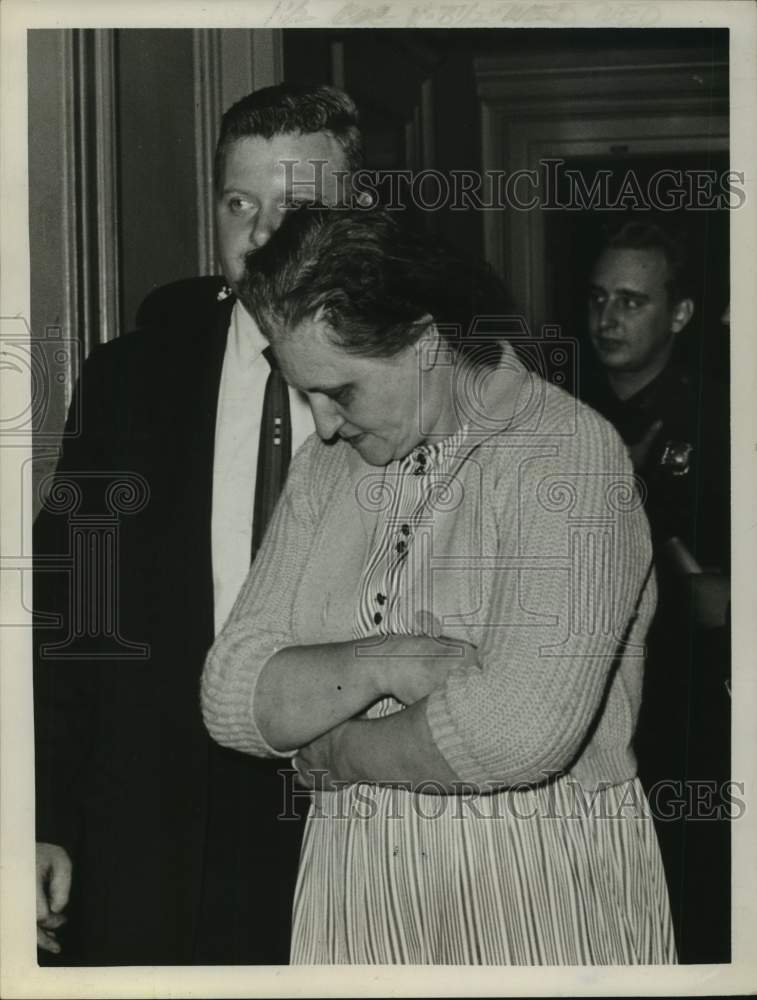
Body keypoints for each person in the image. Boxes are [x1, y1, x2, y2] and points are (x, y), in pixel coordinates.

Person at [201, 205, 676, 965]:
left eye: (342, 391)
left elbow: (518, 732)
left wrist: (342, 749)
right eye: (306, 394)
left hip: (530, 885)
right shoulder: (330, 467)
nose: (321, 426)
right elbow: (231, 693)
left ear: (425, 344)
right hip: (352, 890)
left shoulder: (565, 455)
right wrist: (386, 661)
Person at [33, 83, 363, 965]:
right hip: (154, 822)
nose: (260, 234)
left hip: (348, 811)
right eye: (238, 203)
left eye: (294, 206)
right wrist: (40, 817)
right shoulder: (129, 380)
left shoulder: (415, 383)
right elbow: (74, 615)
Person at [581, 221, 730, 962]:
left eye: (632, 302)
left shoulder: (725, 418)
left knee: (687, 915)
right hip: (581, 716)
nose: (607, 319)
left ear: (678, 314)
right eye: (599, 297)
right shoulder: (560, 417)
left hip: (690, 723)